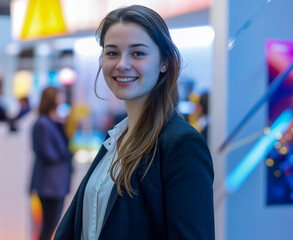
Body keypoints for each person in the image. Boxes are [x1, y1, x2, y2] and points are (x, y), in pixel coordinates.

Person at [54, 5, 215, 240]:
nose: (122, 64)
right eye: (112, 53)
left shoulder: (181, 144)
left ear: (164, 63)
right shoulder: (116, 137)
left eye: (138, 53)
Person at [31, 86, 73, 240]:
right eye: (59, 96)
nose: (62, 99)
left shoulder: (53, 122)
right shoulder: (43, 123)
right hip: (50, 184)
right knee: (49, 225)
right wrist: (65, 155)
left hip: (56, 183)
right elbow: (49, 153)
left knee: (51, 225)